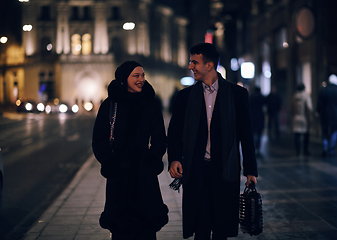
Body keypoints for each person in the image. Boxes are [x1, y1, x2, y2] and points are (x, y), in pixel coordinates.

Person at [168, 43, 258, 240]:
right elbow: (174, 132)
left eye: (194, 62)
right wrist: (174, 159)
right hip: (196, 170)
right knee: (200, 227)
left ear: (209, 65)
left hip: (225, 170)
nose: (190, 66)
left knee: (221, 227)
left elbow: (246, 134)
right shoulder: (185, 97)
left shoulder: (236, 95)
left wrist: (250, 170)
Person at [92, 61, 168, 240]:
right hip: (119, 174)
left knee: (147, 229)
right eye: (136, 76)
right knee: (120, 230)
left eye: (143, 75)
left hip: (144, 175)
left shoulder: (150, 103)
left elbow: (159, 137)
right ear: (124, 79)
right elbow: (99, 139)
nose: (141, 79)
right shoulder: (110, 104)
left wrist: (153, 159)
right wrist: (109, 162)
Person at [317, 74, 337, 156]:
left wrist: (318, 112)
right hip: (335, 114)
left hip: (325, 115)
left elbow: (319, 104)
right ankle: (331, 150)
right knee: (334, 132)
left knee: (325, 132)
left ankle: (325, 149)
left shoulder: (324, 90)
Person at [291, 83, 313, 157]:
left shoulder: (294, 97)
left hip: (296, 117)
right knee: (306, 134)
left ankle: (298, 152)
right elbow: (309, 108)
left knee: (297, 135)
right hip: (304, 118)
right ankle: (305, 151)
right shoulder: (306, 96)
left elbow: (291, 108)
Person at [249, 86, 266, 157]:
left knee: (253, 133)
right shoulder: (261, 98)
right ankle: (258, 148)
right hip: (260, 117)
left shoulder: (251, 97)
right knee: (259, 133)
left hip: (252, 117)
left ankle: (254, 148)